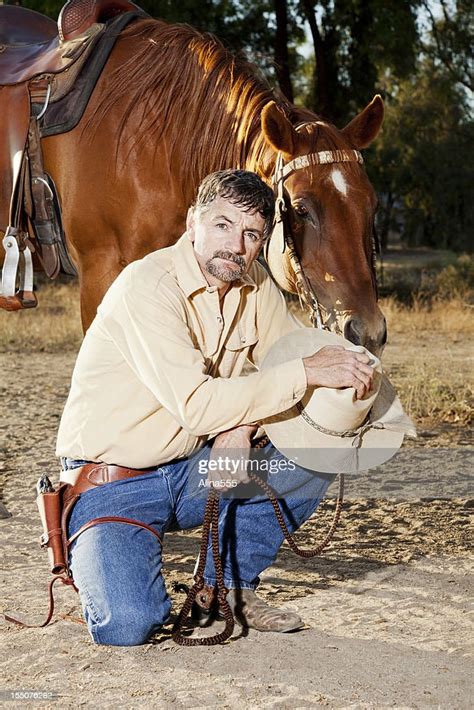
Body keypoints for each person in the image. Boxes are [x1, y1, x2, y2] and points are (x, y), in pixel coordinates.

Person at [56, 169, 374, 646]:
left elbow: (286, 359)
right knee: (127, 624)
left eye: (250, 234)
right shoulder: (147, 286)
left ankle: (228, 587)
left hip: (191, 468)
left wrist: (244, 425)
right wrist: (301, 374)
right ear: (192, 223)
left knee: (318, 445)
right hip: (112, 482)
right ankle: (100, 560)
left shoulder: (256, 286)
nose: (235, 245)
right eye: (222, 225)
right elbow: (204, 405)